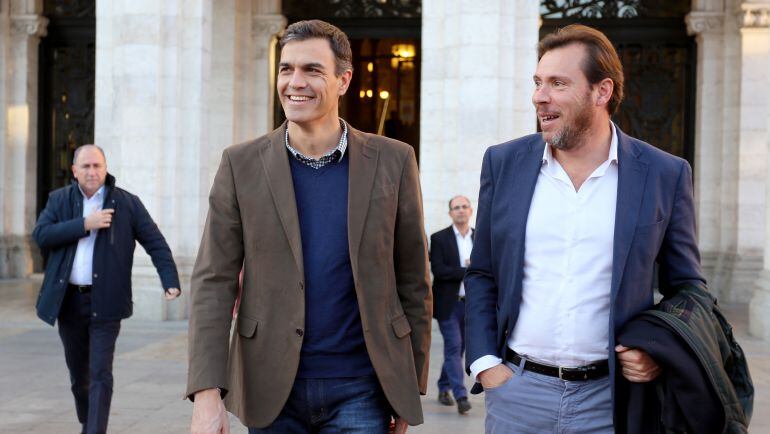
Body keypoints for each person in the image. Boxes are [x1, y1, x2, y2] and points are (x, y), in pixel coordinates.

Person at [187, 20, 431, 434]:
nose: (294, 82)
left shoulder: (394, 160)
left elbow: (414, 282)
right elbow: (213, 281)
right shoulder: (240, 164)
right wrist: (207, 394)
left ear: (343, 80)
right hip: (270, 388)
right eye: (286, 69)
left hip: (362, 388)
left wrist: (409, 387)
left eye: (312, 70)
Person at [464, 24, 706, 433]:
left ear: (602, 91)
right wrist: (486, 363)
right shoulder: (503, 163)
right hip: (517, 394)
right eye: (538, 82)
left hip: (611, 400)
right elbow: (483, 271)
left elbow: (687, 288)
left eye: (558, 83)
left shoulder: (664, 174)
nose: (540, 96)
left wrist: (657, 351)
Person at [32, 144, 181, 434]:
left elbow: (155, 242)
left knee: (101, 373)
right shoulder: (59, 200)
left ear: (106, 168)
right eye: (85, 166)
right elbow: (41, 235)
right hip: (69, 303)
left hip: (107, 302)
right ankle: (89, 423)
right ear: (74, 171)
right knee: (79, 377)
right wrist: (84, 224)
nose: (92, 171)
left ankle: (94, 431)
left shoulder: (126, 203)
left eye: (97, 166)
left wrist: (169, 279)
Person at [429, 195, 474, 414]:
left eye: (464, 206)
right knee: (454, 346)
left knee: (457, 349)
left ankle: (443, 386)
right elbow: (439, 270)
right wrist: (468, 270)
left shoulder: (480, 238)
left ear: (471, 210)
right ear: (450, 213)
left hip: (471, 306)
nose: (461, 210)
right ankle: (460, 395)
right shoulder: (439, 238)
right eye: (456, 207)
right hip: (449, 304)